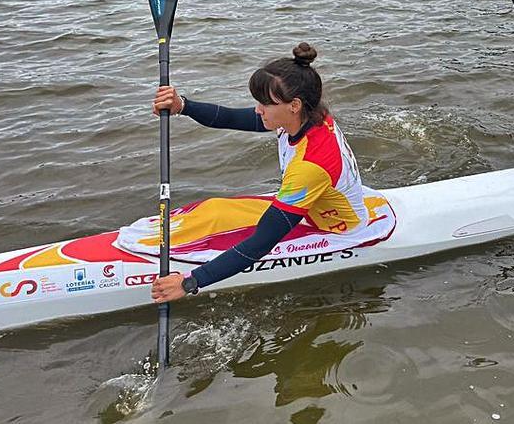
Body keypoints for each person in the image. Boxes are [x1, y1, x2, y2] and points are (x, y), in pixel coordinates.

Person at [149, 43, 371, 302]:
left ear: (294, 105)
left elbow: (261, 243)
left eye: (265, 103)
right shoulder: (304, 118)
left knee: (227, 228)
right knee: (214, 209)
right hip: (313, 206)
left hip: (335, 229)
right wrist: (182, 105)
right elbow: (230, 118)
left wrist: (190, 283)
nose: (257, 109)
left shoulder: (310, 164)